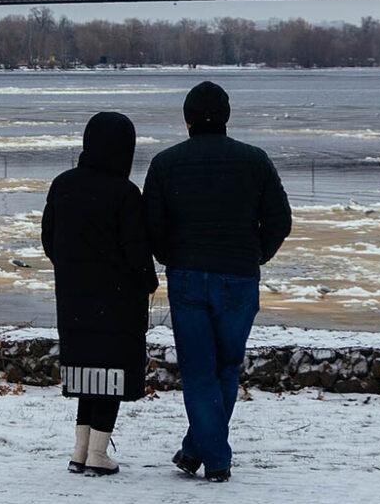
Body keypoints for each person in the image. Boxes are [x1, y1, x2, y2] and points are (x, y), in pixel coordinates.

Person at [143, 81, 291, 483]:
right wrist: (255, 255)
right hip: (240, 277)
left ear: (187, 118)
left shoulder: (165, 163)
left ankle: (211, 456)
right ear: (226, 117)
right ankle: (200, 450)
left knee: (197, 370)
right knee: (226, 366)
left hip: (188, 277)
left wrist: (170, 257)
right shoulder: (255, 161)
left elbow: (152, 227)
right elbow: (280, 221)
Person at [41, 111, 158, 476]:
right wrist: (147, 282)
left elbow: (49, 239)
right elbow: (137, 250)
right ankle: (98, 455)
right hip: (117, 300)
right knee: (110, 374)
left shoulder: (63, 185)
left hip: (74, 298)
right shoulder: (125, 193)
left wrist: (73, 268)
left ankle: (80, 452)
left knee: (86, 373)